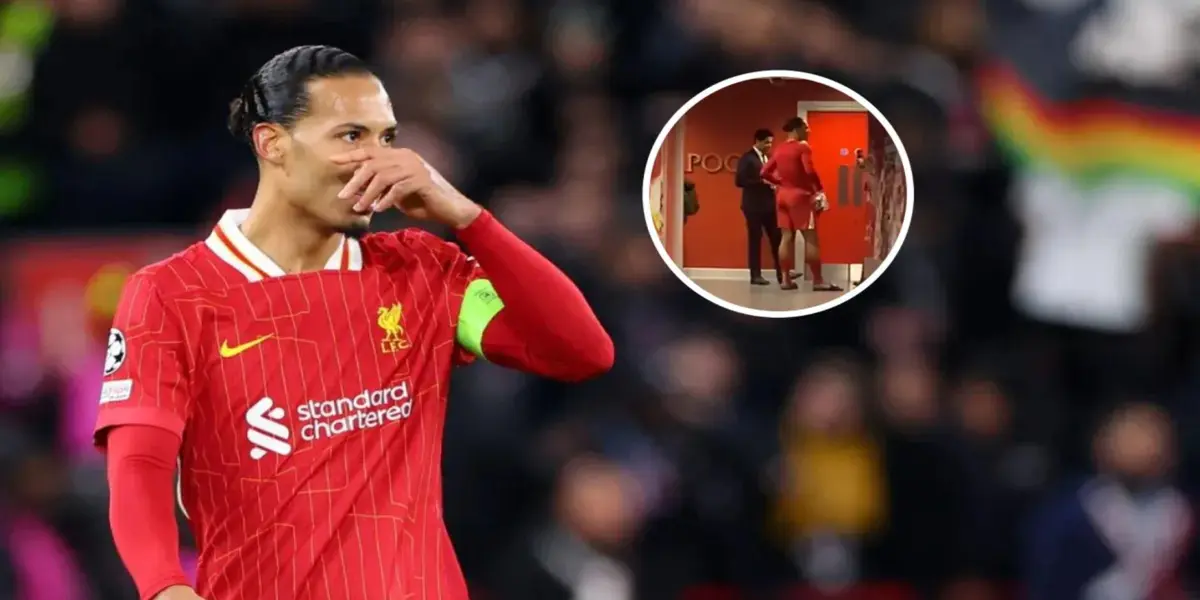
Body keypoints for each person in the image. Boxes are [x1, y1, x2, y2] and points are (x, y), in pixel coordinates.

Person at [94, 45, 614, 600]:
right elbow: (140, 464)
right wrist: (164, 586)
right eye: (351, 136)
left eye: (387, 138)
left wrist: (470, 219)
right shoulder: (173, 294)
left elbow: (582, 351)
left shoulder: (422, 270)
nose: (378, 160)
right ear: (272, 143)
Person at [760, 117, 842, 292]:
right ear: (797, 129)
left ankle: (786, 280)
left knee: (786, 238)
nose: (808, 131)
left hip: (782, 196)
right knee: (810, 238)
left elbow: (764, 172)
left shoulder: (779, 149)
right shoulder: (802, 147)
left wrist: (779, 182)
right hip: (801, 197)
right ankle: (818, 280)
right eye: (806, 127)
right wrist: (819, 189)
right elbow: (809, 170)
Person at [734, 128, 783, 285]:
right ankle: (755, 275)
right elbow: (740, 181)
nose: (769, 145)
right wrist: (762, 182)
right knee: (755, 240)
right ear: (758, 141)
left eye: (771, 143)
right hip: (753, 206)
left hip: (769, 205)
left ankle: (782, 273)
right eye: (767, 142)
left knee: (777, 238)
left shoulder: (766, 158)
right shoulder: (747, 158)